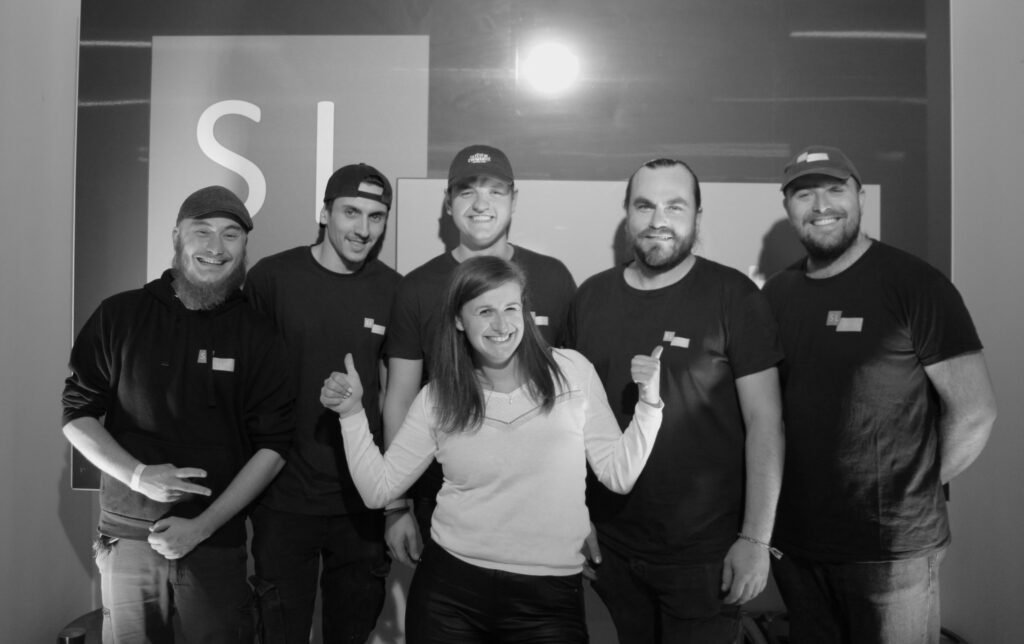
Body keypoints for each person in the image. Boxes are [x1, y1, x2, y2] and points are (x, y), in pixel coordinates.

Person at [321, 256, 664, 643]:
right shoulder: (439, 396)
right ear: (458, 320)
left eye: (511, 309)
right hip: (449, 595)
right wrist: (351, 414)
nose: (501, 325)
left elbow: (618, 475)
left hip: (549, 601)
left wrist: (649, 404)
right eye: (485, 311)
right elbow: (378, 490)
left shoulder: (572, 372)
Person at [762, 145, 997, 643]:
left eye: (835, 189)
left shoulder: (914, 284)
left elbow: (975, 411)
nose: (821, 205)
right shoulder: (776, 295)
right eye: (804, 194)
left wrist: (910, 490)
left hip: (892, 552)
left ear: (861, 197)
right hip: (797, 545)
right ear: (788, 207)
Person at [61, 185, 294, 643]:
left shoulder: (259, 334)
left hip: (216, 542)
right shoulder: (120, 315)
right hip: (127, 537)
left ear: (244, 247)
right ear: (176, 236)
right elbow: (77, 415)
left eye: (230, 234)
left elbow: (275, 447)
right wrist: (138, 476)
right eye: (202, 231)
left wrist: (202, 527)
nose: (216, 247)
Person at [566, 158, 785, 643]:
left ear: (697, 217)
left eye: (675, 206)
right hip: (613, 549)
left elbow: (766, 422)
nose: (658, 220)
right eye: (644, 205)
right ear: (627, 213)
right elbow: (569, 422)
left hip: (706, 556)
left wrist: (756, 539)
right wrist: (575, 517)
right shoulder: (591, 298)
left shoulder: (734, 296)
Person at [382, 144, 577, 565]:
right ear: (448, 202)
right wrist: (395, 503)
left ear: (514, 199)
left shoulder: (553, 278)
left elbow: (575, 401)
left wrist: (582, 505)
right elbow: (399, 397)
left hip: (542, 497)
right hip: (445, 496)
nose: (481, 204)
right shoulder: (417, 288)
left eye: (494, 190)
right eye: (467, 191)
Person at [244, 163, 400, 642]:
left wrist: (396, 503)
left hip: (362, 501)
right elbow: (246, 385)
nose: (363, 229)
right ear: (324, 213)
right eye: (351, 212)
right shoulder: (273, 277)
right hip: (282, 497)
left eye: (376, 216)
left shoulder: (394, 290)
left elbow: (399, 395)